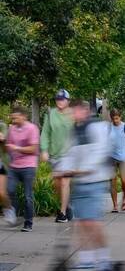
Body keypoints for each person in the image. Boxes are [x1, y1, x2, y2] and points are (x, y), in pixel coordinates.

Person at [60, 100, 113, 271]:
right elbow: (68, 154)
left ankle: (104, 261)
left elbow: (100, 151)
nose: (73, 115)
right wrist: (62, 169)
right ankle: (86, 260)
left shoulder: (97, 127)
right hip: (80, 182)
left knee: (92, 222)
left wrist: (83, 169)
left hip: (95, 181)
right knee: (81, 223)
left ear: (84, 111)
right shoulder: (74, 130)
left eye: (75, 111)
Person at [40, 89, 74, 223]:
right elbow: (45, 133)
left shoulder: (73, 115)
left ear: (68, 101)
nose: (60, 101)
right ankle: (66, 205)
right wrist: (44, 150)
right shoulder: (50, 114)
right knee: (57, 184)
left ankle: (62, 213)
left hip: (69, 155)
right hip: (55, 154)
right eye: (58, 99)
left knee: (65, 182)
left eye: (62, 99)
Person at [5, 106, 39, 232]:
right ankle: (15, 215)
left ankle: (28, 223)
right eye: (12, 117)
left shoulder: (32, 128)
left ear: (24, 116)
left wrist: (16, 148)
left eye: (16, 117)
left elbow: (33, 149)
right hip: (14, 166)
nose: (13, 120)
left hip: (28, 166)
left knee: (28, 196)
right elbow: (8, 146)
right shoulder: (12, 129)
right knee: (10, 190)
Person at [0, 121, 12, 225]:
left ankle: (9, 209)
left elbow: (5, 145)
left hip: (1, 164)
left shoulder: (2, 126)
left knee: (2, 193)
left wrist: (3, 139)